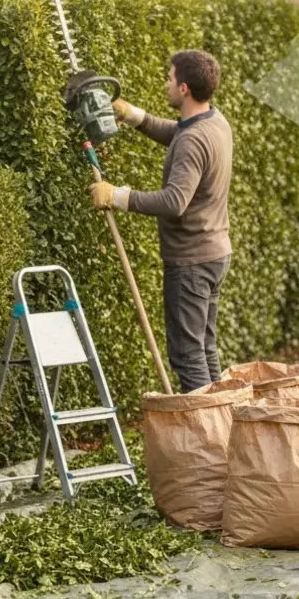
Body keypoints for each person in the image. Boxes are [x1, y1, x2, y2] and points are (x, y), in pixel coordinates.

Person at [89, 49, 233, 393]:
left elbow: (173, 201)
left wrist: (117, 196)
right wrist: (134, 116)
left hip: (191, 263)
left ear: (184, 88)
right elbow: (178, 134)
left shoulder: (193, 140)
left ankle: (203, 426)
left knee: (188, 356)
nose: (166, 83)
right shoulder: (214, 121)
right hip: (214, 254)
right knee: (204, 349)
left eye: (170, 78)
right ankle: (223, 421)